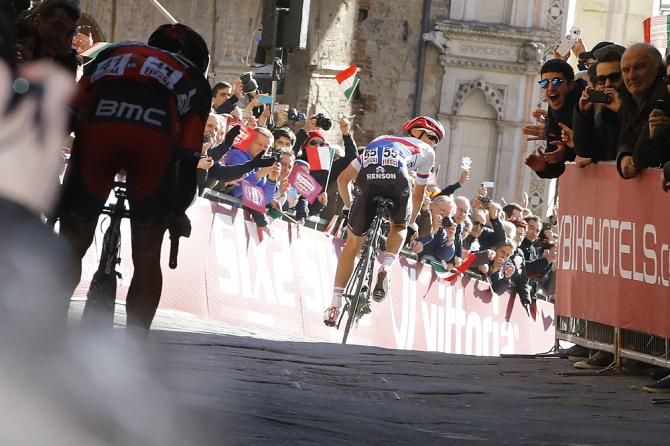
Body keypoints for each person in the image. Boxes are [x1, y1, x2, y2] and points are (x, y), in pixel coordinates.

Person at [58, 24, 212, 333]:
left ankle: (46, 323)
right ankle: (136, 346)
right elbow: (188, 154)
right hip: (152, 145)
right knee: (146, 252)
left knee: (72, 242)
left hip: (100, 130)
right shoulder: (194, 78)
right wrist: (177, 210)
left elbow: (69, 111)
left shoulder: (115, 52)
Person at [323, 115, 443, 326]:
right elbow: (418, 195)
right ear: (421, 134)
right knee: (399, 225)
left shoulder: (379, 140)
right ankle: (386, 266)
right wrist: (410, 222)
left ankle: (334, 305)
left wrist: (349, 206)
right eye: (434, 139)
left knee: (352, 245)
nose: (434, 144)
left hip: (367, 179)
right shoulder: (427, 152)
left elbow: (343, 180)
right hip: (398, 176)